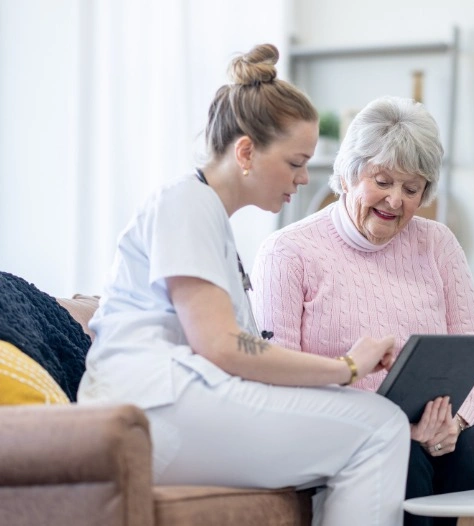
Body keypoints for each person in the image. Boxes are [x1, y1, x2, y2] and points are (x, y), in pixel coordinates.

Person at [77, 44, 410, 526]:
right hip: (152, 408)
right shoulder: (183, 202)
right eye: (296, 162)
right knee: (379, 428)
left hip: (172, 400)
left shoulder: (207, 214)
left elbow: (234, 350)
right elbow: (224, 347)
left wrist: (340, 376)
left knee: (363, 423)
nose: (302, 179)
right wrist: (345, 368)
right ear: (247, 151)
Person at [251, 96, 474, 526]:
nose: (394, 201)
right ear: (349, 174)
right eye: (383, 181)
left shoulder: (438, 243)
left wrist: (456, 422)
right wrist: (385, 425)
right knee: (400, 457)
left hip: (432, 429)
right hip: (345, 430)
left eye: (411, 189)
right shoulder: (287, 252)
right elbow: (277, 374)